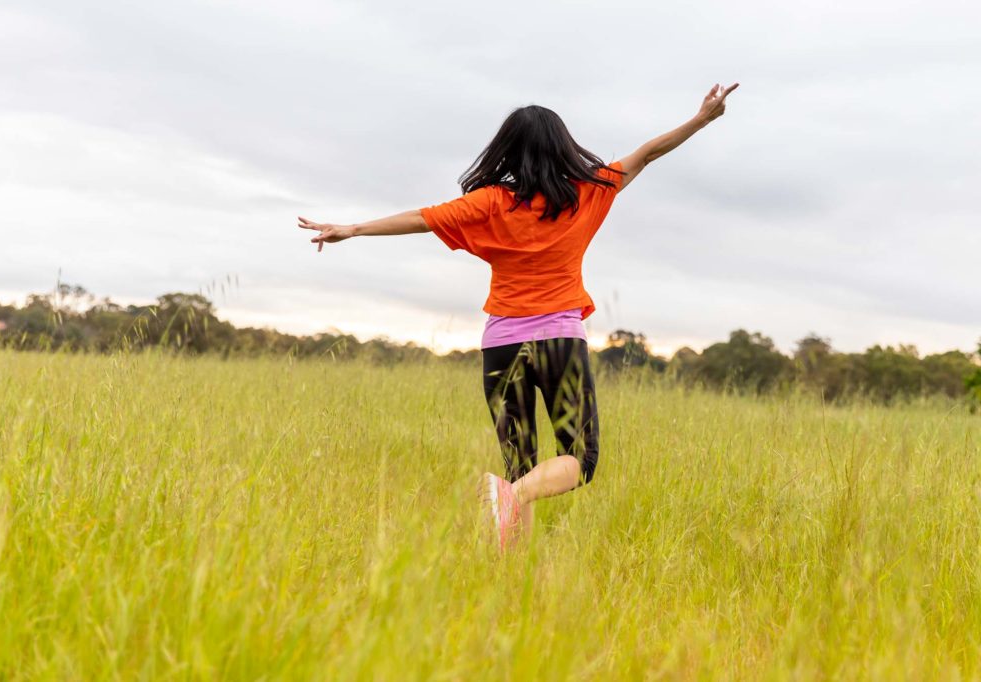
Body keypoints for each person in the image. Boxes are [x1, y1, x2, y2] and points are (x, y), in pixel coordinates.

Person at [298, 83, 739, 551]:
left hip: (501, 346)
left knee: (520, 465)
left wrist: (353, 228)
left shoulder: (490, 201)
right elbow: (647, 154)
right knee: (579, 461)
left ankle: (514, 563)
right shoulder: (587, 191)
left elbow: (422, 218)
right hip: (560, 343)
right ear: (562, 145)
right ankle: (511, 501)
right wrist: (702, 120)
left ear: (508, 150)